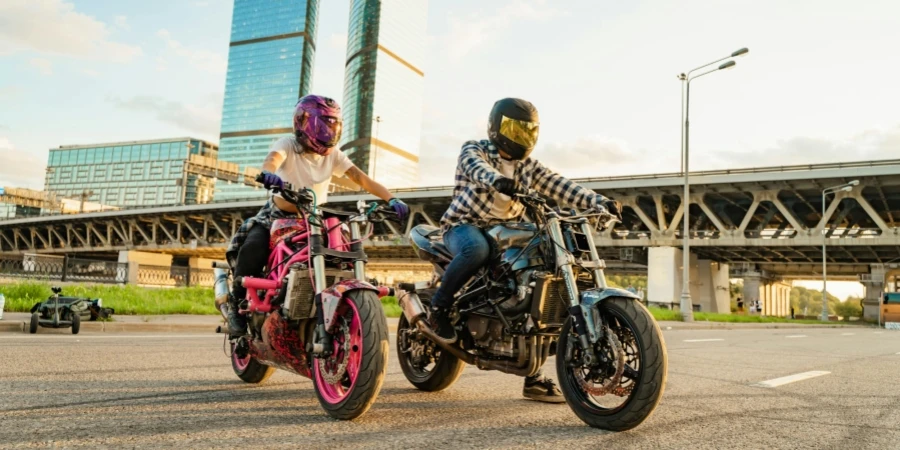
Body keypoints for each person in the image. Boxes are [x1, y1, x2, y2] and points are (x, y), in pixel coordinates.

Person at [430, 97, 621, 403]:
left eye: (528, 132)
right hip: (465, 226)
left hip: (509, 232)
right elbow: (475, 168)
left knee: (542, 284)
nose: (523, 138)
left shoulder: (529, 167)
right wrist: (499, 181)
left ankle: (533, 376)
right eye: (516, 130)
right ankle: (438, 309)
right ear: (496, 128)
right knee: (476, 250)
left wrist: (599, 202)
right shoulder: (474, 149)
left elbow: (561, 185)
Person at [224, 95, 409, 335]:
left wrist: (390, 198)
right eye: (325, 124)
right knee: (254, 247)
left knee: (344, 252)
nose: (330, 130)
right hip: (278, 214)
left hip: (314, 219)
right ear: (304, 122)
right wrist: (268, 174)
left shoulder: (332, 154)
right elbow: (273, 159)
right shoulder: (288, 144)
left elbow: (360, 177)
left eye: (333, 124)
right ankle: (235, 305)